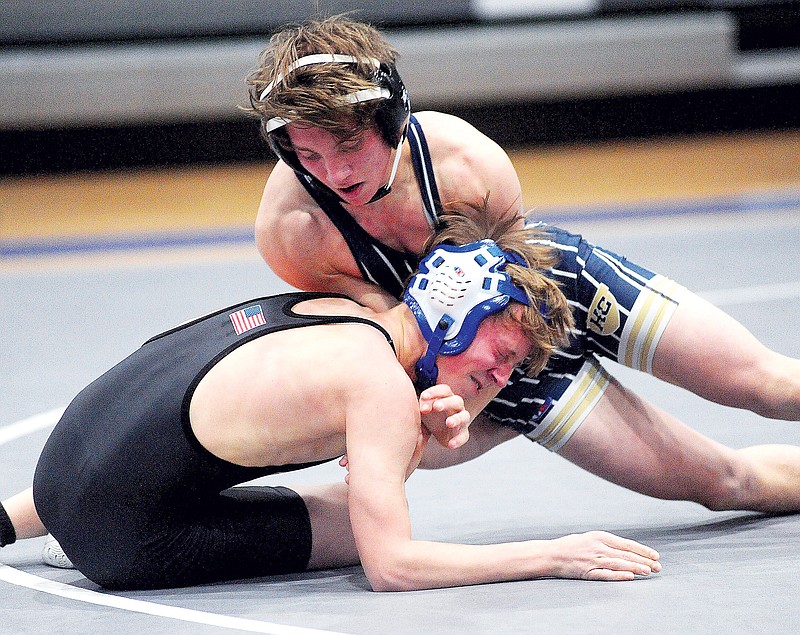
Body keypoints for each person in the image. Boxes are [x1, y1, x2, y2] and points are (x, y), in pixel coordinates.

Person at [245, 16, 800, 513]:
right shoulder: (294, 234)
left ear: (389, 121)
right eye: (311, 156)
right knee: (728, 483)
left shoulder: (466, 163)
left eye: (348, 148)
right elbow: (392, 353)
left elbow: (523, 274)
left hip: (561, 287)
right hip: (497, 375)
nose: (335, 175)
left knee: (766, 382)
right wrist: (454, 419)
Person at [0, 213, 663, 591]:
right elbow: (393, 566)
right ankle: (77, 534)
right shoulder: (377, 386)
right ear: (457, 316)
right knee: (356, 526)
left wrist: (414, 440)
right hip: (117, 537)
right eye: (502, 347)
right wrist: (551, 553)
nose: (499, 374)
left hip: (60, 464)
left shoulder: (350, 310)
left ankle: (18, 520)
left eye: (514, 365)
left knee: (174, 453)